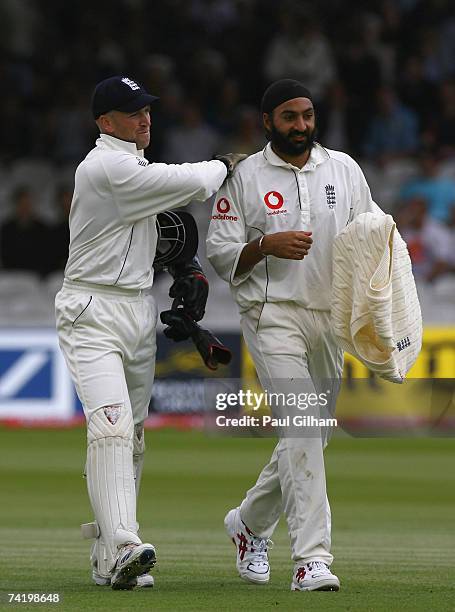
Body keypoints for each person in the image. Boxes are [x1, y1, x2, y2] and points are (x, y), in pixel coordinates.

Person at [54, 75, 245, 590]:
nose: (145, 119)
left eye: (147, 110)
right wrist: (225, 164)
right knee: (111, 426)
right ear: (104, 122)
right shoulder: (104, 166)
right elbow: (190, 184)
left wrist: (188, 272)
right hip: (92, 309)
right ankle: (123, 545)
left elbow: (165, 236)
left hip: (137, 307)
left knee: (132, 436)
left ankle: (105, 555)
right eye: (132, 112)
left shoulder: (131, 168)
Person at [206, 79, 384, 592]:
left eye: (307, 115)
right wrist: (264, 245)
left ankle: (248, 523)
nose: (301, 126)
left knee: (312, 434)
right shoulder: (243, 177)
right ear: (267, 121)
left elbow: (370, 237)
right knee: (305, 426)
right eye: (289, 117)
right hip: (272, 313)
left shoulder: (344, 169)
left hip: (330, 317)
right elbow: (221, 254)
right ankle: (311, 560)